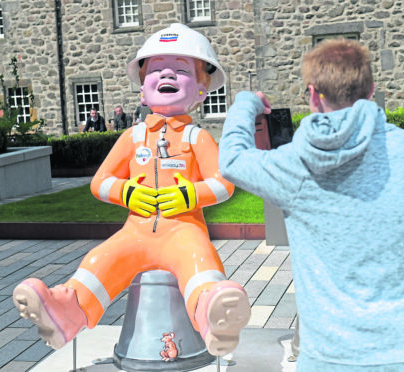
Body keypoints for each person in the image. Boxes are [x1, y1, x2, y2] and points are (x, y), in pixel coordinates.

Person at [13, 23, 251, 357]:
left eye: (181, 71)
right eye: (156, 71)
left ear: (201, 89)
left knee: (199, 260)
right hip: (135, 231)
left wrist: (189, 196)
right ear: (142, 90)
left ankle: (212, 313)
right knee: (102, 258)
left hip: (183, 229)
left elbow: (224, 182)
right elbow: (100, 181)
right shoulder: (133, 137)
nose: (167, 75)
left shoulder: (198, 138)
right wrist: (127, 193)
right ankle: (66, 310)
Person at [219, 38, 404, 371]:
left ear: (313, 94)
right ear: (371, 89)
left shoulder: (295, 166)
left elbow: (232, 159)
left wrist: (246, 103)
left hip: (330, 357)